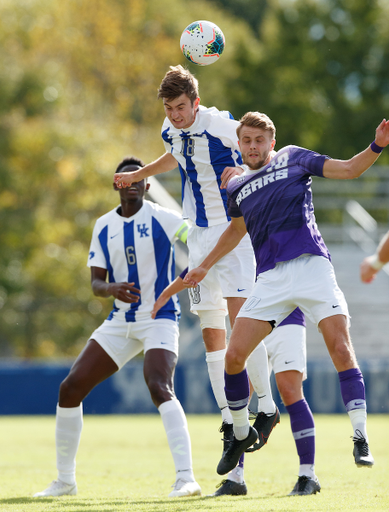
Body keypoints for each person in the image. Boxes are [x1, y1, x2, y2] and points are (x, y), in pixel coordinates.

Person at [184, 112, 389, 478]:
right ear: (239, 144)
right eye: (246, 141)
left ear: (271, 143)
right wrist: (203, 264)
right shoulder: (236, 186)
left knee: (341, 349)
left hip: (311, 267)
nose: (252, 146)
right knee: (233, 356)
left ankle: (360, 436)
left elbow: (347, 170)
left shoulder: (293, 157)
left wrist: (376, 146)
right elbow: (235, 231)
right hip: (271, 279)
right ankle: (240, 434)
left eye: (259, 140)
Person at [114, 65, 279, 496]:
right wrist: (139, 174)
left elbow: (264, 155)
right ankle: (231, 424)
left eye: (182, 108)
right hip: (200, 237)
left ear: (197, 103)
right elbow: (175, 156)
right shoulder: (171, 128)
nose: (176, 115)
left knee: (242, 328)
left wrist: (242, 178)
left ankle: (266, 407)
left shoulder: (223, 126)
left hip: (237, 233)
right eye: (169, 109)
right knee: (212, 338)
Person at [33, 157, 201, 499]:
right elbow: (96, 282)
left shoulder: (163, 218)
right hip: (121, 319)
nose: (133, 182)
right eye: (126, 178)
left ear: (148, 185)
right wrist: (112, 288)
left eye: (139, 177)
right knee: (70, 388)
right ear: (116, 185)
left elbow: (196, 240)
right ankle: (65, 481)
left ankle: (186, 478)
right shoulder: (103, 225)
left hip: (159, 316)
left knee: (158, 385)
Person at [153, 275, 320, 496]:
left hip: (284, 317)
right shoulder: (233, 242)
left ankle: (307, 474)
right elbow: (204, 256)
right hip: (249, 320)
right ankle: (236, 478)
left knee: (290, 391)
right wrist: (168, 291)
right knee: (240, 396)